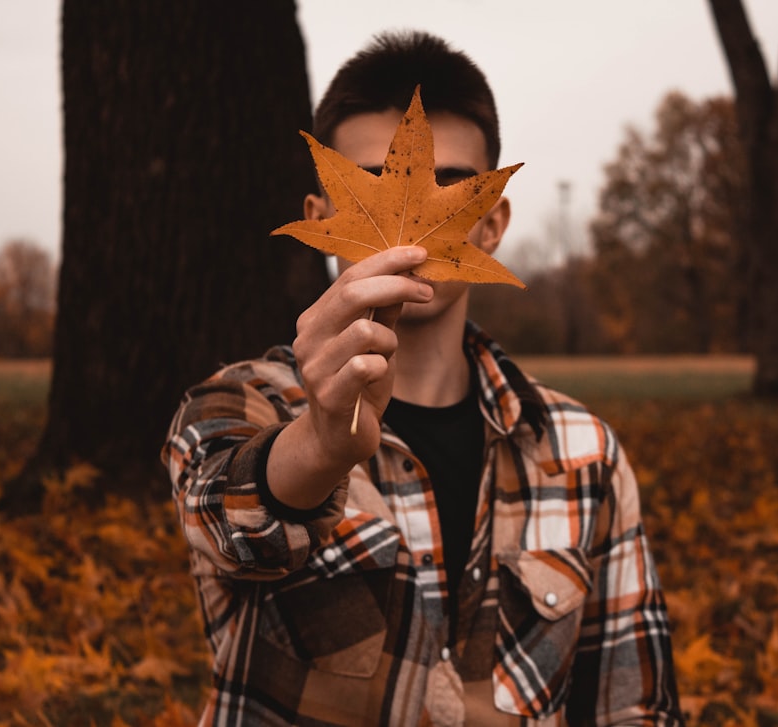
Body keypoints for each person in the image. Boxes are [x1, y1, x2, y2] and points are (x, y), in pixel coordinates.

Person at [163, 30, 683, 726]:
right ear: (320, 221)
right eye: (371, 186)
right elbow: (225, 517)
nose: (411, 230)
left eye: (451, 191)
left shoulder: (585, 452)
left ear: (492, 224)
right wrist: (319, 442)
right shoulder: (236, 404)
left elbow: (635, 705)